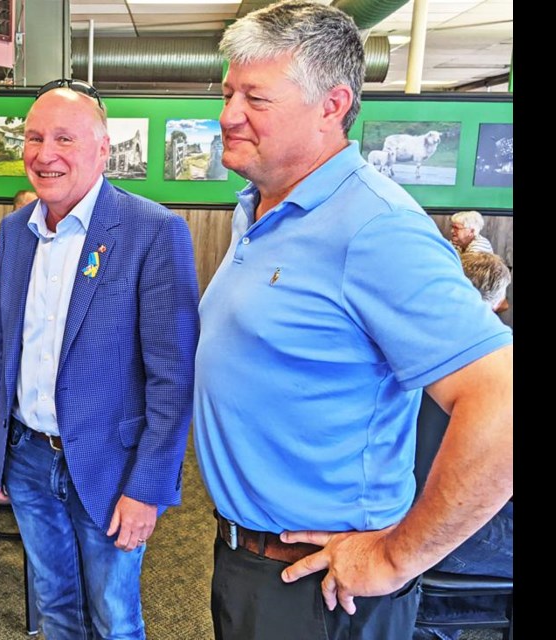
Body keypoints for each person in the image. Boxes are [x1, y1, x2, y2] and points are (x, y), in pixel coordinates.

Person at [191, 3, 513, 639]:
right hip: (249, 559)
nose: (228, 114)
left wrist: (398, 557)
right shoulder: (263, 206)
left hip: (323, 589)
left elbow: (501, 402)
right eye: (228, 92)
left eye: (255, 97)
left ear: (332, 106)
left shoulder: (375, 226)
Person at [0, 79, 199, 639]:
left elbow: (173, 380)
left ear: (103, 150)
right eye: (34, 137)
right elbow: (6, 348)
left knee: (114, 615)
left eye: (65, 138)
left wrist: (149, 487)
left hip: (112, 465)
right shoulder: (15, 232)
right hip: (29, 458)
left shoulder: (154, 232)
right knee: (55, 605)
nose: (45, 153)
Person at [413, 252, 513, 640]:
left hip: (391, 516)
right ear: (498, 302)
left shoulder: (410, 344)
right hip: (447, 529)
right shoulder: (498, 360)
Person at [0, 189, 38, 307]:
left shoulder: (24, 228)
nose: (39, 209)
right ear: (20, 208)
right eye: (34, 205)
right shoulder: (12, 230)